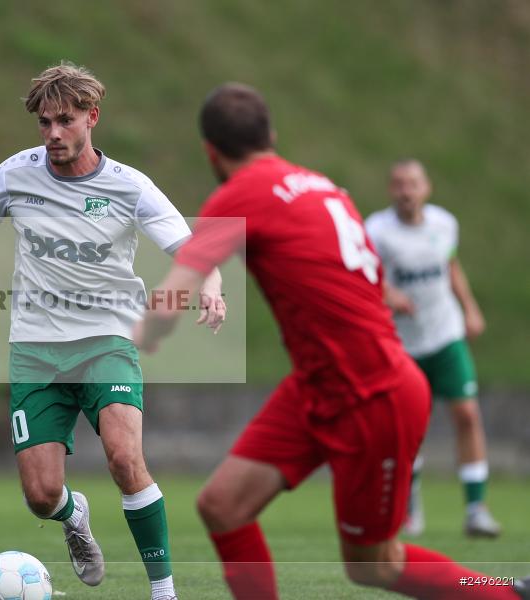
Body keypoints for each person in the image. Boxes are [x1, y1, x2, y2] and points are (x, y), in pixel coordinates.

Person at [133, 82, 528, 599]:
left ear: (211, 151)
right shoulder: (320, 184)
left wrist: (138, 334)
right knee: (222, 505)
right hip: (318, 385)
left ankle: (509, 592)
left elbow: (172, 296)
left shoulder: (241, 194)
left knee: (373, 565)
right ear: (270, 134)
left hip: (373, 394)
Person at [0, 62, 225, 600]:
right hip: (35, 348)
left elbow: (190, 247)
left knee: (125, 459)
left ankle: (164, 593)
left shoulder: (129, 186)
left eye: (65, 121)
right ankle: (75, 515)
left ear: (91, 118)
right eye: (44, 123)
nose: (53, 134)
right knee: (41, 495)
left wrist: (210, 284)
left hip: (107, 340)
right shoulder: (15, 175)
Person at [364, 159, 500, 538]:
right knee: (408, 427)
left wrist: (470, 309)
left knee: (467, 415)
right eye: (399, 184)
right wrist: (390, 294)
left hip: (444, 336)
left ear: (426, 188)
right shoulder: (377, 230)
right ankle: (409, 501)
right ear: (391, 190)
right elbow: (364, 274)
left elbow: (451, 268)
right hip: (403, 345)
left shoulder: (444, 223)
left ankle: (476, 508)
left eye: (413, 184)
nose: (406, 191)